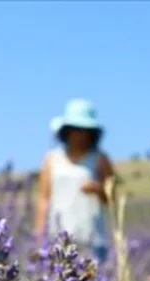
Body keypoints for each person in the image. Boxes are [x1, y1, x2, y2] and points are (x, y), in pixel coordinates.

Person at [35, 98, 115, 264]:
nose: (81, 135)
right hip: (57, 237)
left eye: (86, 130)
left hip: (92, 238)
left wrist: (98, 189)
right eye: (76, 129)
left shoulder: (100, 158)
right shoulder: (52, 158)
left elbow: (113, 198)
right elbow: (43, 199)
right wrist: (39, 235)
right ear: (67, 131)